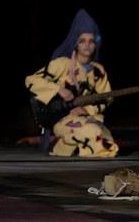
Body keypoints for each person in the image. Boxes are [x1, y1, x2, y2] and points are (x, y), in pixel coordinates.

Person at [25, 9, 118, 157]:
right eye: (82, 41)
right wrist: (58, 89)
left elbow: (107, 97)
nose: (87, 45)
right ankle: (61, 144)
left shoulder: (98, 71)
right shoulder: (62, 64)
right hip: (61, 118)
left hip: (86, 118)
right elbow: (31, 80)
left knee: (107, 141)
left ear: (96, 44)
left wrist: (87, 110)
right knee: (93, 135)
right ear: (76, 44)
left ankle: (67, 145)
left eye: (91, 41)